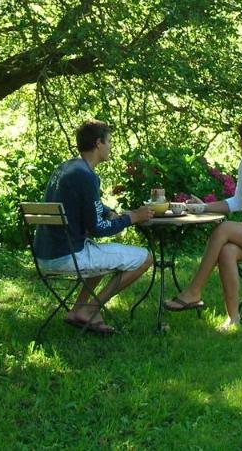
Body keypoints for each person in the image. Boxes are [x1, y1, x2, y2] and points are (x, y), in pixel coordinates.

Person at [163, 116, 242, 331]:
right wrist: (203, 207)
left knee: (224, 228)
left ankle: (193, 291)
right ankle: (233, 319)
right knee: (227, 252)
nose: (240, 143)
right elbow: (238, 201)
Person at [33, 119, 153, 335]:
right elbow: (98, 229)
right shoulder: (86, 176)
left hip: (45, 253)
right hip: (67, 256)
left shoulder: (67, 168)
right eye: (109, 142)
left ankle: (78, 310)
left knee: (101, 254)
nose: (110, 147)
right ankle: (91, 309)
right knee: (145, 258)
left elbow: (87, 206)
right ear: (98, 143)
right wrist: (133, 217)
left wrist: (107, 210)